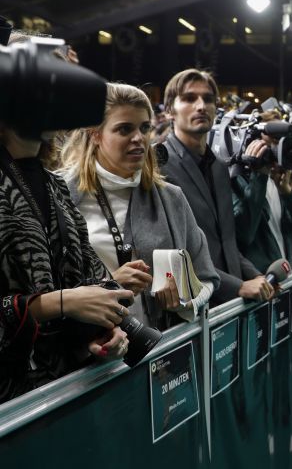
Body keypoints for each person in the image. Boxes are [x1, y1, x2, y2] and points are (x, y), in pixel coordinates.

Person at [0, 74, 133, 401]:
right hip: (12, 398)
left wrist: (105, 331)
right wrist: (64, 302)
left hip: (66, 388)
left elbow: (91, 275)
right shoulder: (60, 185)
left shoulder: (54, 184)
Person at [61, 83, 220, 329]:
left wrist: (185, 302)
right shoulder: (61, 197)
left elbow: (207, 278)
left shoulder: (172, 198)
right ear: (95, 133)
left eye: (145, 128)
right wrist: (108, 284)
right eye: (124, 129)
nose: (138, 138)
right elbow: (46, 291)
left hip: (162, 352)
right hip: (88, 355)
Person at [158, 69, 273, 305]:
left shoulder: (220, 167)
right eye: (189, 98)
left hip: (229, 308)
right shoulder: (157, 165)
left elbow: (228, 242)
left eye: (208, 99)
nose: (201, 106)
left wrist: (255, 275)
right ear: (170, 110)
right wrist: (239, 286)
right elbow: (168, 255)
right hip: (190, 309)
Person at [231, 112, 292, 273]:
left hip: (285, 282)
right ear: (253, 140)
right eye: (272, 140)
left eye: (282, 141)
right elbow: (243, 235)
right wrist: (259, 175)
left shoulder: (279, 182)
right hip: (260, 285)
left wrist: (287, 193)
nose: (277, 148)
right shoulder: (237, 179)